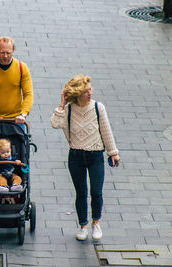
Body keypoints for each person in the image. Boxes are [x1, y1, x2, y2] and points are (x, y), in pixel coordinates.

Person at [51, 75, 120, 241]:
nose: (89, 93)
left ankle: (96, 222)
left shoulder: (98, 107)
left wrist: (113, 152)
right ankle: (83, 226)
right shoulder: (68, 110)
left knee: (96, 192)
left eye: (90, 90)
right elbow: (54, 123)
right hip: (75, 156)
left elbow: (106, 130)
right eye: (85, 91)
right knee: (81, 192)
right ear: (77, 94)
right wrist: (61, 104)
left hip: (95, 155)